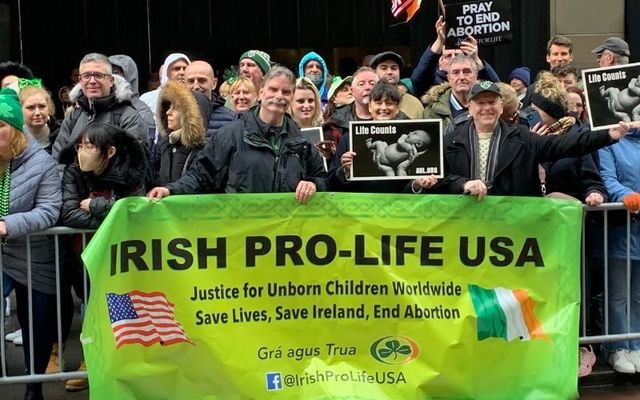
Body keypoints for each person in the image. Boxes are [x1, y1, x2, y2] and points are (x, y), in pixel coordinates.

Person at [412, 80, 629, 197]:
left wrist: (610, 134)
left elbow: (566, 144)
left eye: (491, 102)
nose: (486, 107)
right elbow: (439, 178)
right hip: (467, 229)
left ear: (500, 106)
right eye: (480, 103)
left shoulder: (523, 137)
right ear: (470, 107)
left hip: (513, 233)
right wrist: (464, 183)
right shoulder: (450, 140)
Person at [147, 66, 327, 202]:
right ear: (261, 93)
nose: (279, 96)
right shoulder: (230, 135)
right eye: (273, 89)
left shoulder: (301, 141)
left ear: (291, 97)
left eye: (286, 92)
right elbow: (201, 175)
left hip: (285, 237)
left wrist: (313, 184)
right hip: (242, 237)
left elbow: (322, 179)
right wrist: (170, 190)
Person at [0, 87, 62, 400]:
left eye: (0, 126)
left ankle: (34, 386)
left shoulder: (42, 163)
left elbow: (49, 210)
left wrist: (6, 225)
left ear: (14, 128)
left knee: (36, 324)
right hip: (2, 257)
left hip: (34, 255)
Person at [598, 118, 640, 374]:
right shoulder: (609, 142)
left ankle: (635, 343)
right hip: (619, 227)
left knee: (637, 295)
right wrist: (625, 195)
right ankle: (616, 346)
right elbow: (607, 178)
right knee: (618, 294)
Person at [52, 53, 150, 160]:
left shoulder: (128, 117)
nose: (92, 81)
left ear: (111, 81)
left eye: (99, 75)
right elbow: (59, 159)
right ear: (80, 80)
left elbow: (131, 163)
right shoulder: (73, 117)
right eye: (86, 76)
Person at [329, 80, 409, 193]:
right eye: (378, 102)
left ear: (397, 109)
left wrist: (417, 184)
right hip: (360, 206)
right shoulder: (350, 137)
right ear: (370, 107)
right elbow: (331, 182)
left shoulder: (407, 137)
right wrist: (345, 170)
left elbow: (411, 179)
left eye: (389, 103)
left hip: (399, 206)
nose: (384, 107)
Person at [410, 15, 500, 98]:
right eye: (448, 55)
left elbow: (498, 89)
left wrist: (476, 58)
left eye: (458, 55)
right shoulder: (433, 81)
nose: (453, 58)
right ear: (440, 63)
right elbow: (418, 79)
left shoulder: (474, 81)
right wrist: (440, 41)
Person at [153, 81, 208, 186]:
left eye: (175, 108)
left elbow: (196, 182)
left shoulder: (203, 148)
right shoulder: (165, 143)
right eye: (169, 107)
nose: (168, 112)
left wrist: (169, 190)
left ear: (192, 116)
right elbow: (155, 177)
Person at [422, 54, 479, 133]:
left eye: (466, 72)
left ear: (476, 76)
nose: (461, 77)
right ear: (448, 78)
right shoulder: (431, 112)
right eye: (456, 73)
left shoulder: (489, 106)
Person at [185, 60, 235, 136]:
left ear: (214, 84)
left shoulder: (231, 119)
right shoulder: (173, 117)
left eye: (202, 81)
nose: (196, 86)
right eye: (191, 81)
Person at [370, 51, 424, 119]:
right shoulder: (365, 101)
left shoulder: (414, 104)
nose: (389, 72)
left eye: (394, 68)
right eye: (384, 68)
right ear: (374, 72)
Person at [108, 54, 156, 130]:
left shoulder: (141, 111)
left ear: (129, 77)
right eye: (107, 72)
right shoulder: (97, 107)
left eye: (115, 72)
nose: (111, 77)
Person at [139, 53, 191, 122]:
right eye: (177, 69)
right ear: (167, 73)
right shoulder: (147, 98)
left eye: (185, 68)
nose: (182, 72)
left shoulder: (195, 98)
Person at [366, 130, 431, 176]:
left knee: (379, 143)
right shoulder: (412, 151)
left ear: (419, 144)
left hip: (385, 158)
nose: (411, 132)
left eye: (414, 133)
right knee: (384, 143)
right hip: (387, 157)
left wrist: (403, 136)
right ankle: (374, 151)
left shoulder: (408, 147)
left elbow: (400, 142)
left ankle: (369, 146)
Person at [19, 83, 60, 153]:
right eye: (30, 107)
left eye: (42, 106)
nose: (37, 112)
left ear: (48, 108)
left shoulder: (62, 135)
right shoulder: (13, 140)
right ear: (20, 110)